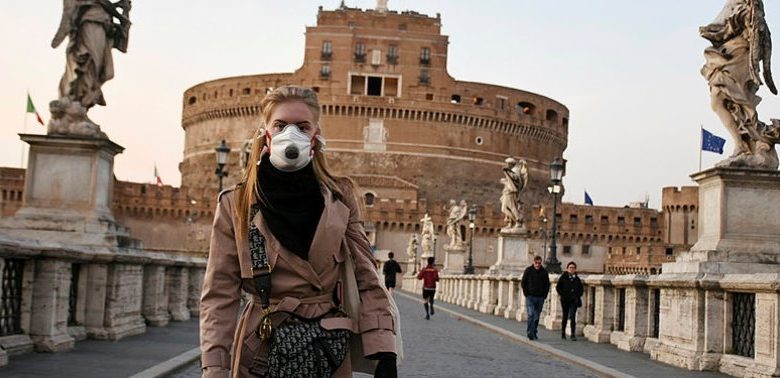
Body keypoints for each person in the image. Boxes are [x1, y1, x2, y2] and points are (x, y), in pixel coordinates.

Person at [199, 86, 397, 378]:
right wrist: (214, 366)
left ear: (315, 135)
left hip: (327, 349)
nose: (291, 134)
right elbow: (219, 293)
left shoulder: (340, 197)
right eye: (280, 125)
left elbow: (366, 277)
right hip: (262, 347)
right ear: (266, 133)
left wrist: (384, 348)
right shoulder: (236, 203)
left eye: (302, 127)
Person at [521, 256, 549, 340]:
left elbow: (547, 284)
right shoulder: (528, 270)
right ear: (533, 262)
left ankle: (534, 331)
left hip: (540, 298)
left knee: (536, 317)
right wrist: (526, 294)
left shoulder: (544, 272)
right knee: (531, 314)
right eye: (536, 263)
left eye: (539, 263)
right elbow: (523, 282)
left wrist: (544, 295)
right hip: (530, 297)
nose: (537, 265)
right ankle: (529, 332)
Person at [555, 261, 584, 341]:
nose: (572, 269)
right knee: (565, 316)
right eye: (570, 268)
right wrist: (562, 294)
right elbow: (558, 287)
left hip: (574, 300)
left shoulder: (577, 278)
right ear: (567, 269)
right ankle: (563, 332)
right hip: (565, 300)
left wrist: (577, 295)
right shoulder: (563, 277)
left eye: (573, 268)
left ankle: (572, 334)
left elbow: (581, 289)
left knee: (572, 316)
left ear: (575, 269)